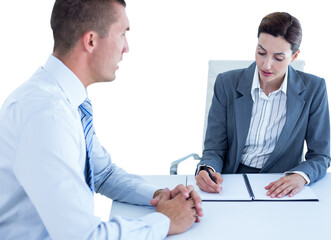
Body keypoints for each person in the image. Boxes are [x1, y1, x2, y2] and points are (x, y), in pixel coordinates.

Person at [0, 0, 203, 239]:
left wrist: (160, 195)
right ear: (91, 41)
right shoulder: (47, 115)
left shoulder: (64, 100)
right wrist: (164, 222)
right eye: (122, 34)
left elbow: (102, 173)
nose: (126, 48)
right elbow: (83, 236)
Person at [195, 12, 330, 198]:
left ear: (294, 56)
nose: (266, 65)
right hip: (230, 182)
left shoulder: (314, 89)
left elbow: (320, 156)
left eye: (278, 58)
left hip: (280, 185)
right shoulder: (226, 83)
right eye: (261, 53)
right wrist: (207, 169)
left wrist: (301, 176)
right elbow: (214, 149)